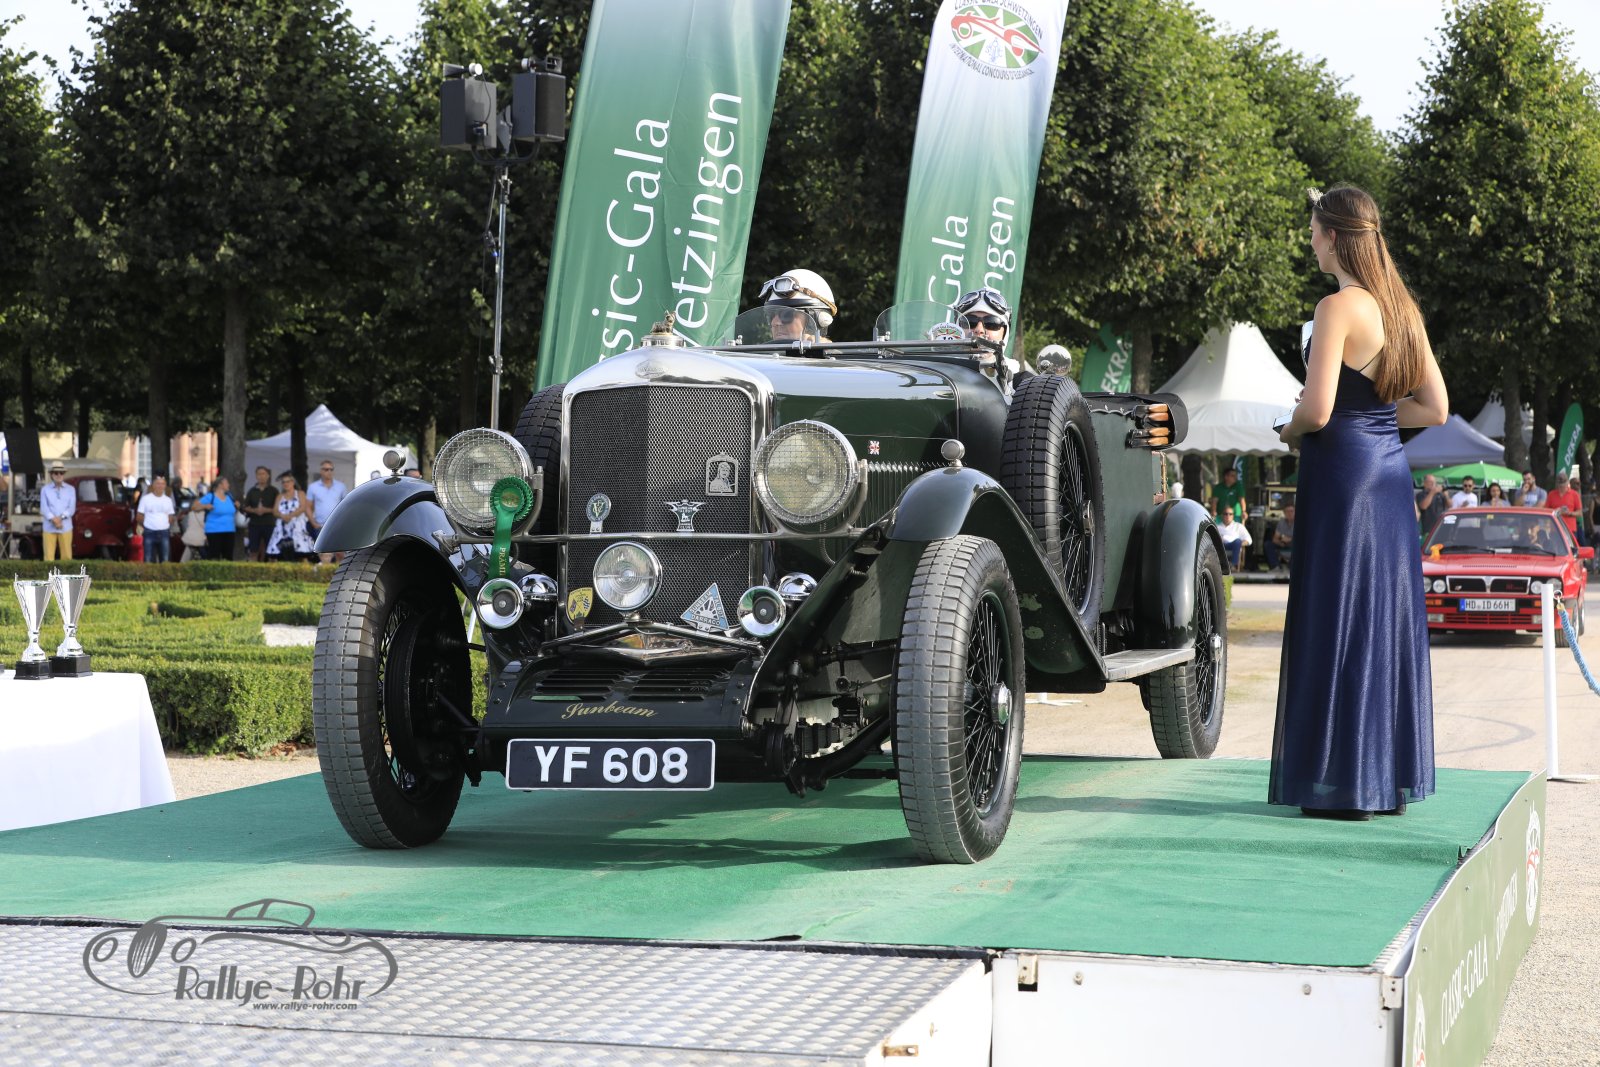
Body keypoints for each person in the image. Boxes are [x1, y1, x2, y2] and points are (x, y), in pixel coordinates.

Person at [1272, 183, 1447, 820]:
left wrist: (1287, 428)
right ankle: (1382, 781)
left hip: (1341, 474)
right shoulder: (1401, 309)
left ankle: (1339, 783)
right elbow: (1435, 408)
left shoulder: (1335, 308)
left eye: (1313, 232)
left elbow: (1317, 410)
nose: (1310, 242)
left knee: (1336, 613)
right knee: (1380, 616)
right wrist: (1373, 419)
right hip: (1389, 472)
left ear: (1334, 237)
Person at [760, 268, 835, 342]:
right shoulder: (757, 350)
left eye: (787, 315)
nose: (775, 323)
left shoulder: (836, 350)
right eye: (771, 316)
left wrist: (825, 348)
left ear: (816, 320)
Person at [305, 460, 348, 564]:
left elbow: (346, 506)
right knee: (324, 555)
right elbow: (307, 507)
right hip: (320, 526)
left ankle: (338, 573)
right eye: (326, 469)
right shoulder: (313, 487)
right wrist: (313, 523)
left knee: (340, 553)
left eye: (331, 469)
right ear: (321, 471)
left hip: (337, 525)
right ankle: (325, 573)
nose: (329, 471)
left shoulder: (341, 486)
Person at [267, 472, 316, 561]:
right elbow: (275, 511)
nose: (285, 484)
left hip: (297, 528)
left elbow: (303, 507)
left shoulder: (300, 493)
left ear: (293, 482)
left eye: (288, 481)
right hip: (282, 528)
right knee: (276, 554)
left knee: (302, 554)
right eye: (283, 482)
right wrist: (282, 516)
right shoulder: (280, 496)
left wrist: (290, 516)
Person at [192, 476, 238, 560]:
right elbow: (194, 507)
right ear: (220, 485)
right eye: (226, 483)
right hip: (214, 531)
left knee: (228, 557)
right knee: (214, 556)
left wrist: (237, 505)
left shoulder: (229, 497)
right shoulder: (210, 497)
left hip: (230, 530)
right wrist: (205, 506)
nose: (229, 485)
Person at [40, 461, 77, 561]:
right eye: (56, 473)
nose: (59, 475)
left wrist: (60, 519)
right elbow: (44, 508)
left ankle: (65, 572)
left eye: (61, 473)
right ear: (51, 475)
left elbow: (71, 508)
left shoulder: (71, 489)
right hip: (49, 527)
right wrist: (54, 520)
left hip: (65, 527)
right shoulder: (45, 489)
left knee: (67, 556)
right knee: (48, 557)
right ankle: (49, 572)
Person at [135, 475, 176, 563]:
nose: (160, 486)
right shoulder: (145, 499)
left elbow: (171, 516)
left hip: (164, 532)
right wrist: (147, 525)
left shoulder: (168, 500)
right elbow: (139, 516)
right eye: (158, 484)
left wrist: (165, 525)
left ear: (165, 486)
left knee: (165, 559)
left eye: (162, 484)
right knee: (148, 559)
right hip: (149, 532)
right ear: (153, 485)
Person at [242, 466, 279, 563]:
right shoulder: (251, 491)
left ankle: (272, 569)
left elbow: (279, 508)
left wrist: (266, 510)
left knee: (272, 551)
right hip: (254, 524)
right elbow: (245, 507)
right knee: (253, 550)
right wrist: (254, 510)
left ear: (268, 476)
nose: (261, 476)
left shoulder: (274, 491)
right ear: (256, 476)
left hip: (269, 524)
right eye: (259, 474)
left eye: (263, 474)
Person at [1547, 471, 1584, 547]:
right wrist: (1556, 511)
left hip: (1570, 530)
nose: (1562, 488)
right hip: (1555, 529)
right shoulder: (1551, 494)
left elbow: (1580, 513)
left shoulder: (1574, 494)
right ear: (1557, 484)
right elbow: (1546, 510)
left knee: (1570, 549)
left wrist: (1569, 513)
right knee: (1555, 549)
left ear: (1567, 483)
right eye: (1560, 486)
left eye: (1563, 485)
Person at [1216, 506, 1252, 570]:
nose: (1228, 516)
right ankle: (1218, 566)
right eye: (1225, 514)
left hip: (1233, 545)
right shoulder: (1217, 527)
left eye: (1230, 514)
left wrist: (1240, 544)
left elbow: (1249, 540)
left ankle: (1233, 565)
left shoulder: (1238, 526)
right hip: (1221, 545)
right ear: (1222, 516)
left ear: (1233, 516)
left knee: (1238, 541)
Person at [1415, 474, 1447, 539]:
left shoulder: (1439, 494)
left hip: (1440, 527)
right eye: (1430, 482)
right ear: (1425, 483)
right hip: (1428, 529)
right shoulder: (1421, 494)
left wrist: (1446, 495)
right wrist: (1432, 493)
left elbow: (1450, 506)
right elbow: (1423, 506)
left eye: (1434, 482)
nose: (1433, 484)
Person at [1265, 503, 1296, 572]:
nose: (1289, 513)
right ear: (1284, 513)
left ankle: (1291, 567)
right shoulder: (1281, 522)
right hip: (1283, 543)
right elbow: (1275, 538)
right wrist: (1280, 542)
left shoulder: (1300, 522)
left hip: (1294, 544)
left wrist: (1290, 539)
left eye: (1291, 511)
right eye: (1287, 511)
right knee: (1268, 544)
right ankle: (1276, 567)